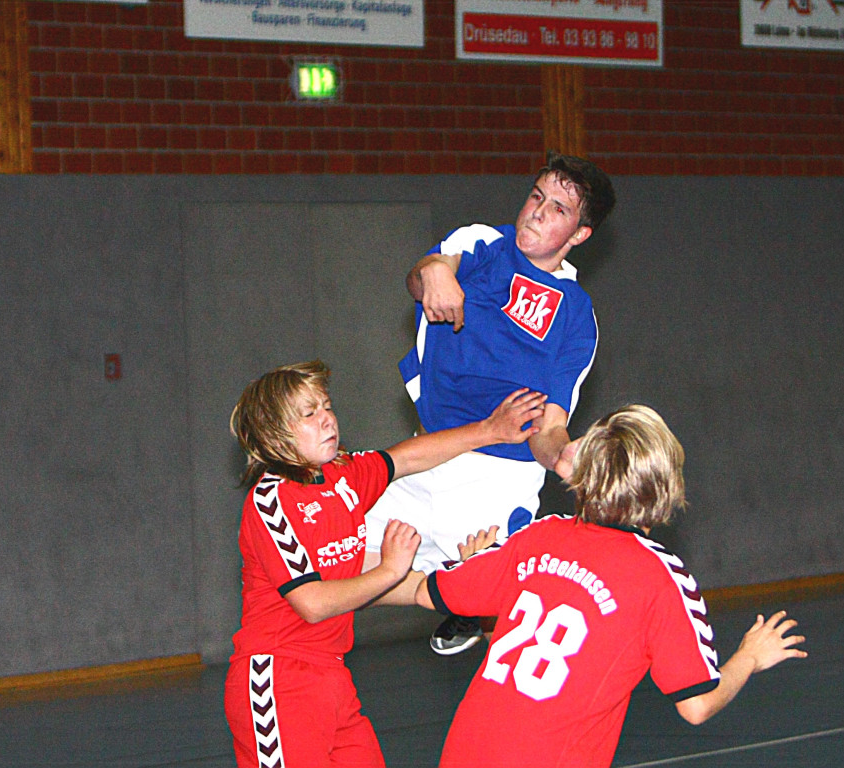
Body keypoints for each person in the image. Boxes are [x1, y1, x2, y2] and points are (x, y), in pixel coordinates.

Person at [396, 405, 807, 768]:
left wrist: (473, 562)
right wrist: (750, 657)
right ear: (666, 486)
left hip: (466, 753)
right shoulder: (660, 576)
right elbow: (697, 705)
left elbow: (427, 593)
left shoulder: (539, 535)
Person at [223, 359, 547, 768]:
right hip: (278, 678)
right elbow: (313, 602)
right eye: (309, 413)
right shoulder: (272, 499)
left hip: (333, 677)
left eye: (327, 406)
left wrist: (489, 431)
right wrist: (389, 570)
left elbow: (405, 460)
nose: (327, 419)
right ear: (274, 433)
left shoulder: (342, 477)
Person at [364, 150, 617, 655]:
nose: (537, 212)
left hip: (496, 476)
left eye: (558, 209)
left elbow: (550, 425)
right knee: (334, 565)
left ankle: (478, 596)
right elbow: (422, 277)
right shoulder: (484, 242)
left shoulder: (576, 317)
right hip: (429, 451)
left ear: (579, 234)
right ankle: (452, 596)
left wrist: (562, 456)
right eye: (536, 197)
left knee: (507, 611)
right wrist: (434, 271)